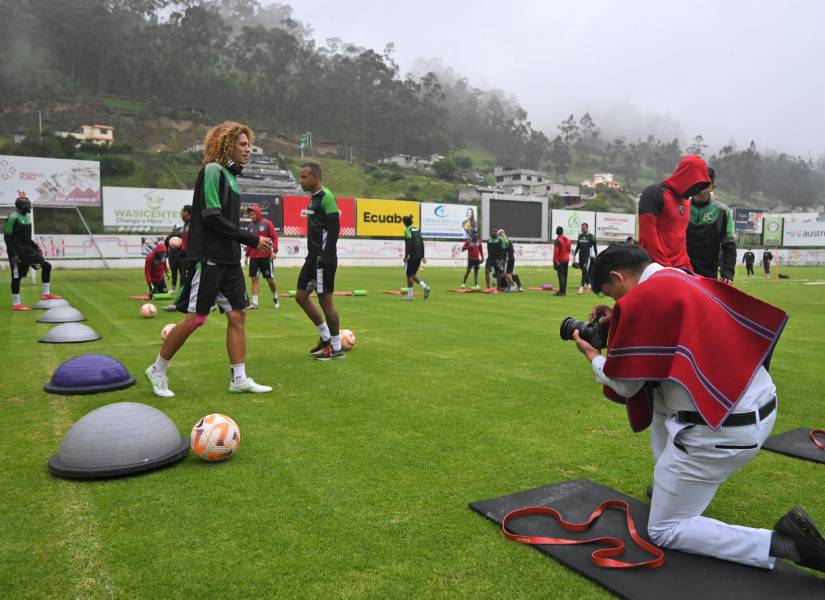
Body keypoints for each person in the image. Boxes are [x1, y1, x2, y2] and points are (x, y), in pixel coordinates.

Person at [569, 243, 825, 574]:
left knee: (664, 531)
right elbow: (665, 324)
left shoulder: (642, 302)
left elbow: (626, 384)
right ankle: (670, 485)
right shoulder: (680, 276)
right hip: (755, 407)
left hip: (721, 431)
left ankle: (785, 543)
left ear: (618, 276)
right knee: (661, 407)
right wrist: (620, 315)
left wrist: (593, 355)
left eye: (614, 294)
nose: (619, 303)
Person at [145, 121, 273, 397]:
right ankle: (157, 369)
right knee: (196, 319)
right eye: (242, 144)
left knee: (237, 316)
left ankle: (239, 378)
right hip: (209, 259)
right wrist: (251, 239)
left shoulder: (231, 177)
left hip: (228, 260)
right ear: (225, 144)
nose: (248, 149)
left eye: (249, 144)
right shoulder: (213, 171)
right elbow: (212, 218)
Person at [295, 162, 345, 360]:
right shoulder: (312, 199)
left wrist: (325, 256)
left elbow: (334, 230)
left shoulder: (327, 197)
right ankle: (325, 338)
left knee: (326, 302)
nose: (301, 181)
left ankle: (336, 346)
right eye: (300, 177)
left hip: (323, 259)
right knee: (301, 296)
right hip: (312, 258)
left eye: (304, 177)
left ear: (316, 177)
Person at [638, 155, 711, 270]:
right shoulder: (654, 194)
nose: (696, 192)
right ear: (687, 177)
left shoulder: (686, 201)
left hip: (680, 267)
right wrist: (666, 268)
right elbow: (648, 237)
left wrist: (687, 268)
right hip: (655, 268)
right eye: (696, 186)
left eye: (700, 187)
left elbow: (681, 239)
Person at [4, 194, 61, 310]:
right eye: (27, 204)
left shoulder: (27, 217)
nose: (29, 206)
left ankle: (46, 294)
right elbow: (7, 237)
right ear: (20, 206)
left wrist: (35, 247)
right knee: (17, 277)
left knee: (46, 266)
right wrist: (13, 254)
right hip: (17, 254)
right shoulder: (13, 217)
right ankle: (16, 304)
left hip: (29, 252)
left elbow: (26, 238)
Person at [686, 168, 736, 282]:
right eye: (697, 185)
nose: (700, 191)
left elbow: (729, 244)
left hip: (709, 274)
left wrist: (727, 272)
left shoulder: (723, 211)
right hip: (683, 271)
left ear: (713, 187)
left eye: (705, 186)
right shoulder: (681, 208)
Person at [244, 205, 279, 309]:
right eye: (250, 215)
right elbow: (249, 242)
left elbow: (274, 238)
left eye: (253, 214)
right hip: (254, 257)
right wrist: (246, 256)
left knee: (269, 279)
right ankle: (255, 303)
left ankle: (275, 297)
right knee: (254, 279)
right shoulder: (249, 226)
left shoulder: (267, 223)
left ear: (258, 213)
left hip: (266, 256)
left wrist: (275, 251)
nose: (252, 216)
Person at [402, 215, 430, 300]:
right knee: (412, 274)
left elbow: (409, 244)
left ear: (404, 223)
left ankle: (410, 296)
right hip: (418, 255)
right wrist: (422, 256)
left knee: (409, 275)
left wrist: (406, 256)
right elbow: (421, 242)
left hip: (412, 255)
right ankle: (425, 287)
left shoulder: (407, 230)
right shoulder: (417, 229)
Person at [572, 222, 598, 294]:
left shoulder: (592, 236)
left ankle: (581, 287)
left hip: (588, 257)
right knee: (584, 271)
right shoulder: (580, 236)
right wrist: (574, 255)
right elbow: (578, 246)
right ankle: (590, 285)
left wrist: (596, 255)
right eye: (581, 228)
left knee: (584, 270)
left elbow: (595, 247)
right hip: (581, 256)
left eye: (583, 228)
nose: (582, 229)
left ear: (587, 228)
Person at [552, 226, 571, 296]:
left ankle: (561, 292)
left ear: (556, 232)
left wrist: (554, 261)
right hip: (566, 259)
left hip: (560, 260)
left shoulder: (557, 240)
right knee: (565, 276)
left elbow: (556, 252)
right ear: (562, 232)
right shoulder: (568, 240)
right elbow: (569, 250)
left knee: (561, 276)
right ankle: (563, 291)